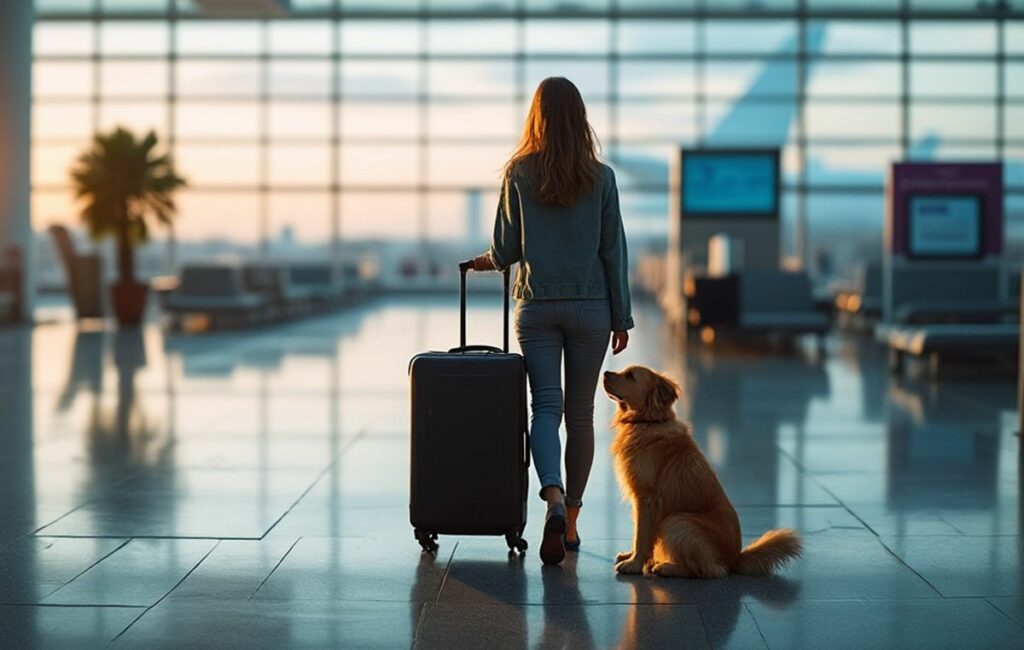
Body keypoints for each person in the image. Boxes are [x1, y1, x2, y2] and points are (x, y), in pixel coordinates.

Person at [469, 76, 633, 565]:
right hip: (591, 309)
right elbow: (613, 253)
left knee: (546, 408)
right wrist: (620, 315)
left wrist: (480, 262)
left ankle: (553, 499)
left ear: (536, 117)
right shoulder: (601, 178)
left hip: (537, 308)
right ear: (579, 118)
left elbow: (505, 251)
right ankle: (573, 525)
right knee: (581, 416)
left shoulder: (519, 173)